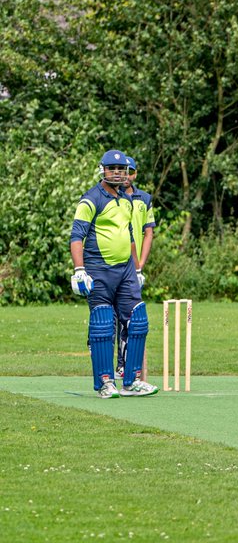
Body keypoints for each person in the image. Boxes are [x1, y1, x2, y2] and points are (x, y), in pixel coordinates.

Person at [69, 149, 158, 398]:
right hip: (99, 269)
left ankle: (131, 381)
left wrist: (136, 268)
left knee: (138, 320)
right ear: (103, 170)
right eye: (113, 169)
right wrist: (79, 270)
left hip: (126, 269)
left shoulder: (127, 199)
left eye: (122, 170)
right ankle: (105, 383)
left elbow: (129, 236)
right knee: (103, 325)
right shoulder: (90, 200)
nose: (118, 174)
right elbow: (77, 237)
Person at [116, 156, 155, 380]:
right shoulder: (112, 197)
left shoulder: (144, 199)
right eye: (123, 172)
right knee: (107, 320)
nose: (126, 176)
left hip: (132, 269)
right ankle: (106, 370)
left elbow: (147, 233)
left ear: (135, 174)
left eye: (130, 172)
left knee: (130, 319)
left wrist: (140, 265)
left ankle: (125, 368)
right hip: (112, 265)